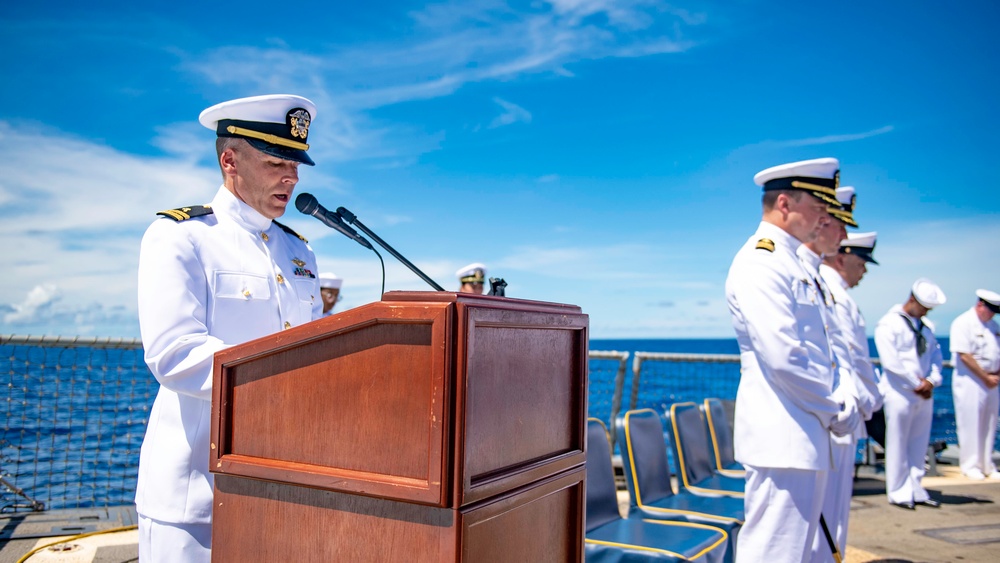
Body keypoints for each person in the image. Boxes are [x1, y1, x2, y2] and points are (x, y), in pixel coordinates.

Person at [136, 94, 322, 562]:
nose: (292, 177)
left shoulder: (299, 252)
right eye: (277, 161)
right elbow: (174, 353)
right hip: (193, 497)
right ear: (229, 160)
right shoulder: (181, 236)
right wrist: (284, 378)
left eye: (297, 164)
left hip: (279, 486)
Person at [726, 157, 858, 562]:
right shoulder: (761, 261)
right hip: (784, 437)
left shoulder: (790, 262)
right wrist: (835, 408)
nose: (823, 218)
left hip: (802, 434)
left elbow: (823, 351)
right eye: (817, 208)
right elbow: (784, 357)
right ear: (784, 203)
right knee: (774, 553)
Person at [799, 186, 864, 562]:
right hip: (824, 418)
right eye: (829, 219)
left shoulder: (814, 277)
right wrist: (836, 410)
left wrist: (852, 402)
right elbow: (788, 359)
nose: (841, 236)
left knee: (824, 531)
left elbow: (840, 356)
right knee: (795, 541)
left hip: (835, 415)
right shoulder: (772, 265)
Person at [874, 278, 946, 509]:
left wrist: (932, 381)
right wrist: (916, 383)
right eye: (923, 306)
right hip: (900, 392)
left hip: (923, 393)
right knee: (897, 443)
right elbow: (891, 362)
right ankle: (898, 491)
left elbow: (935, 357)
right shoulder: (889, 324)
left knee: (918, 443)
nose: (925, 312)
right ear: (912, 299)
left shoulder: (927, 327)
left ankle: (916, 487)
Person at [949, 289, 1000, 480]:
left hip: (992, 381)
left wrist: (996, 375)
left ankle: (987, 464)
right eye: (990, 309)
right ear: (980, 305)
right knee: (970, 422)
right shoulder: (963, 323)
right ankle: (970, 465)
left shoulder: (993, 326)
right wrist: (986, 377)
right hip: (970, 380)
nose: (993, 313)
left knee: (990, 422)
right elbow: (964, 355)